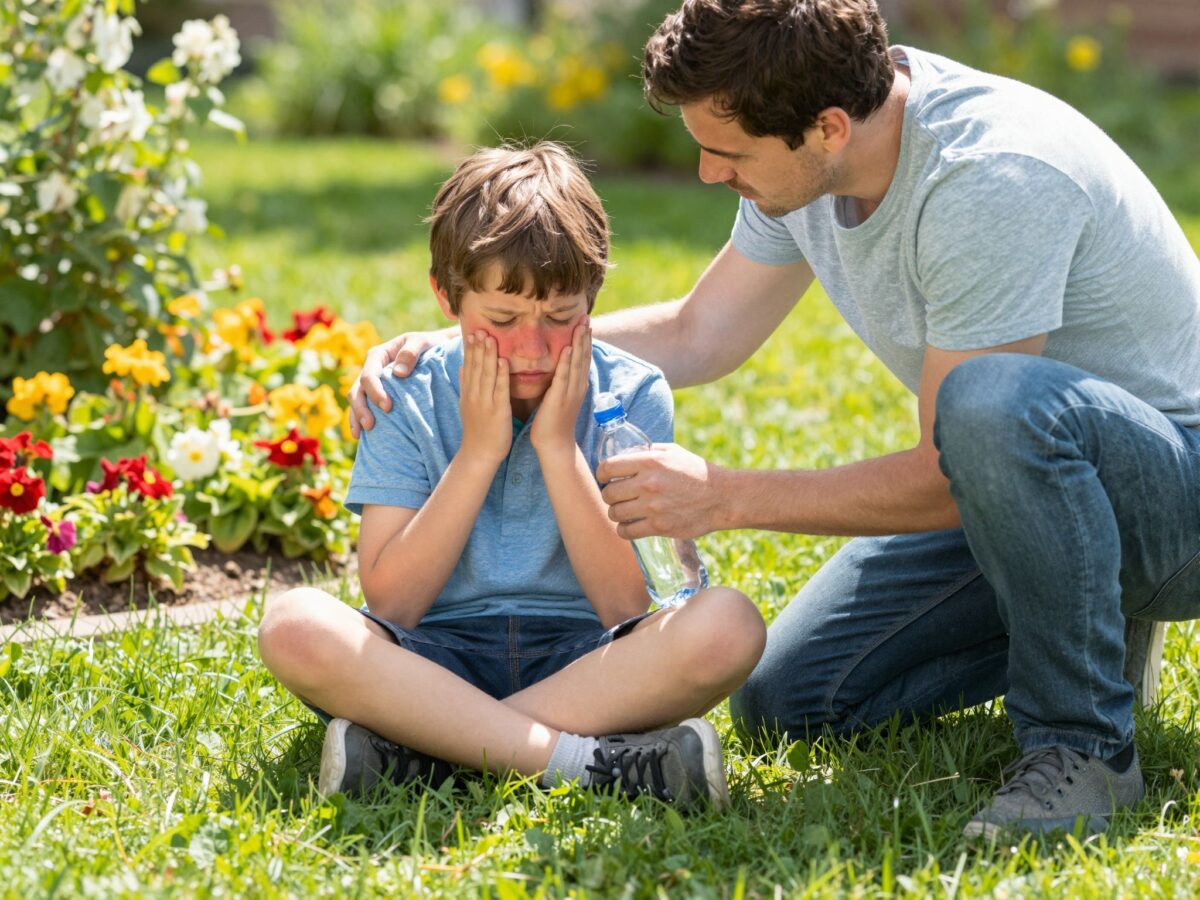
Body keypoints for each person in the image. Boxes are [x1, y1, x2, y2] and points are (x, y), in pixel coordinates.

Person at [347, 1, 1200, 839]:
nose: (709, 174)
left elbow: (951, 470)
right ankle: (1088, 619)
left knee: (988, 404)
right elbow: (698, 331)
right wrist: (477, 343)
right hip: (1032, 480)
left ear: (827, 128)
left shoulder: (990, 180)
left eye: (726, 152)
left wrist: (724, 496)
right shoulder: (801, 164)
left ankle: (1082, 747)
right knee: (797, 696)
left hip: (1176, 497)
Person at [258, 142, 765, 809]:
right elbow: (392, 604)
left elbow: (624, 608)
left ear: (594, 298)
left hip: (589, 662)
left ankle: (430, 752)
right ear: (448, 299)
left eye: (561, 318)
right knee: (293, 625)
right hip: (433, 656)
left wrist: (558, 448)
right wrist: (478, 453)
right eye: (502, 320)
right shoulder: (405, 393)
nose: (533, 348)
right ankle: (582, 761)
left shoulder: (632, 393)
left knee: (729, 624)